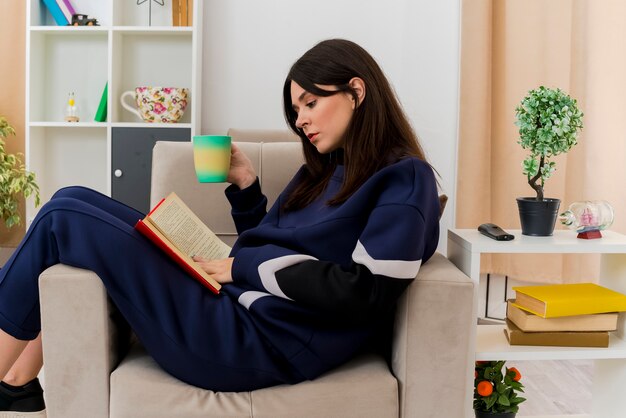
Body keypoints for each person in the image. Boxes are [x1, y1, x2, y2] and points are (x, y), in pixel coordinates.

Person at [0, 38, 440, 414]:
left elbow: (366, 291)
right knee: (70, 199)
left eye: (311, 102)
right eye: (296, 108)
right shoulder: (323, 171)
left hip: (252, 340)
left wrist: (239, 269)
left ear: (357, 92)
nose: (300, 119)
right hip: (230, 306)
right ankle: (17, 381)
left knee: (64, 219)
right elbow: (266, 243)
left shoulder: (404, 177)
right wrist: (246, 187)